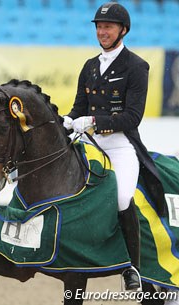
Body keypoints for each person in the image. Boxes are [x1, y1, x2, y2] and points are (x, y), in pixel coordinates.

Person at [63, 1, 165, 291]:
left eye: (107, 26)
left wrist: (93, 120)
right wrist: (66, 121)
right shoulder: (90, 66)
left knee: (121, 198)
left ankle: (131, 268)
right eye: (99, 26)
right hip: (90, 145)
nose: (102, 31)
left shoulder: (136, 66)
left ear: (123, 30)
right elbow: (77, 108)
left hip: (120, 145)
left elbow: (132, 117)